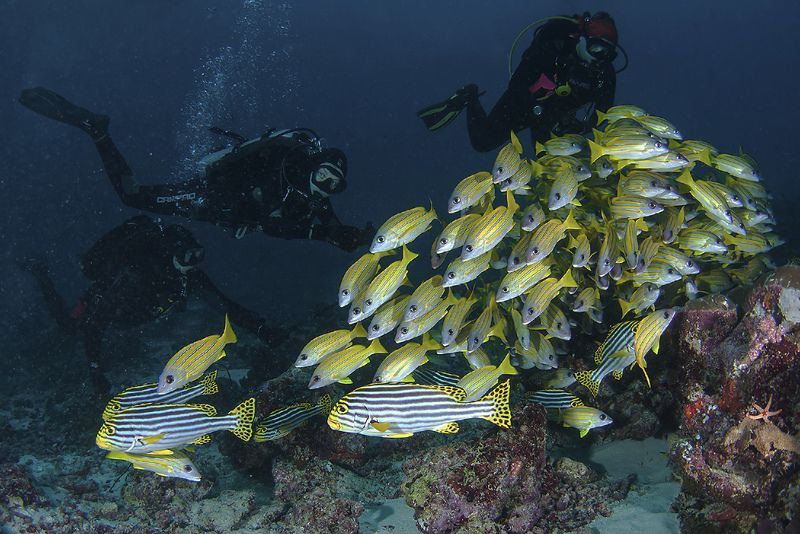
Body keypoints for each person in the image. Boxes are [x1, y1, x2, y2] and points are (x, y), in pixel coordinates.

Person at [18, 87, 373, 252]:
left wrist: (351, 235)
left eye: (334, 185)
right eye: (325, 175)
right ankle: (97, 131)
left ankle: (97, 132)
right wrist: (321, 236)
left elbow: (326, 219)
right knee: (132, 196)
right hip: (210, 196)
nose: (326, 186)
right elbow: (272, 225)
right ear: (313, 165)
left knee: (135, 199)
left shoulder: (311, 193)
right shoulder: (285, 169)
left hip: (223, 211)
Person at [17, 215, 283, 395]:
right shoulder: (135, 276)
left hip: (141, 315)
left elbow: (224, 304)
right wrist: (95, 369)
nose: (193, 263)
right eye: (187, 256)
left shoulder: (189, 277)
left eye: (198, 255)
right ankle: (41, 274)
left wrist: (259, 328)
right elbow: (94, 326)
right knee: (69, 327)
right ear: (171, 254)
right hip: (108, 310)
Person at [417, 12, 621, 152]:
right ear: (583, 40)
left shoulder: (604, 73)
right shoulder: (553, 49)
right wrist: (533, 107)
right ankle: (470, 97)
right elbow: (516, 85)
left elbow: (603, 114)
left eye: (607, 53)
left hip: (554, 120)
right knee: (482, 142)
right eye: (596, 48)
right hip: (523, 105)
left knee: (555, 170)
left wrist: (579, 127)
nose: (600, 57)